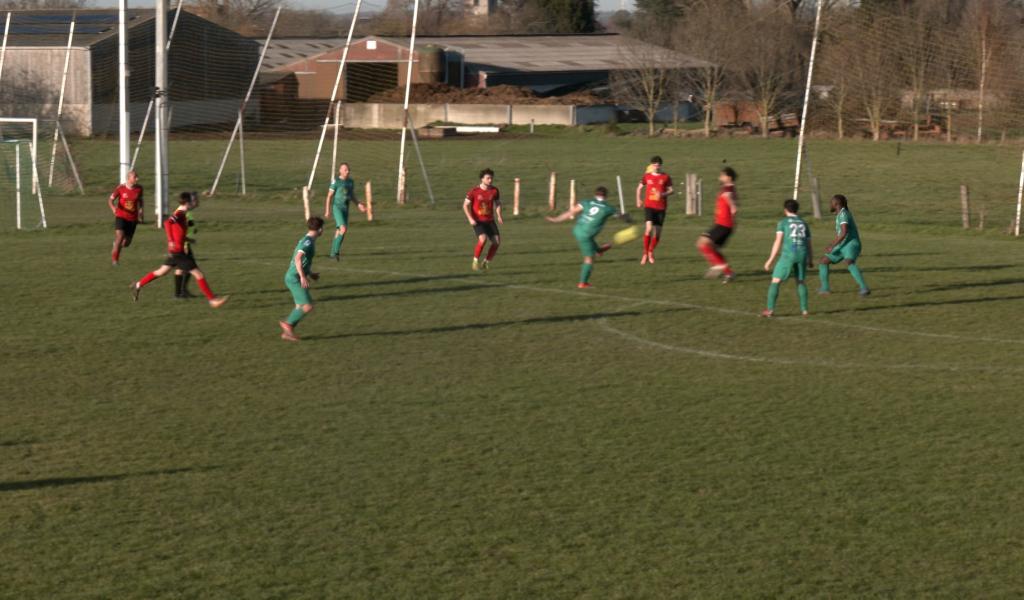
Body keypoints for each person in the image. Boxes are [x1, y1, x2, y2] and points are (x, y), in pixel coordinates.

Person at [129, 193, 228, 308]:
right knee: (198, 274)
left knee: (162, 271)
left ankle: (137, 285)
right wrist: (171, 240)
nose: (194, 202)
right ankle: (212, 300)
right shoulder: (180, 213)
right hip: (178, 251)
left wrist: (187, 239)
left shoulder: (182, 213)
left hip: (176, 250)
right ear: (187, 202)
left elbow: (177, 230)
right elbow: (167, 223)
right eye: (192, 200)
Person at [547, 186, 630, 288]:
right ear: (606, 195)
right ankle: (583, 283)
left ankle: (599, 250)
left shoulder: (586, 202)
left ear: (595, 194)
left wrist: (556, 219)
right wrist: (627, 218)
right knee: (589, 259)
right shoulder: (609, 208)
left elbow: (571, 212)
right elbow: (621, 217)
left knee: (590, 242)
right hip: (586, 235)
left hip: (577, 229)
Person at [762, 199, 813, 318]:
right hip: (802, 254)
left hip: (789, 254)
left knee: (775, 281)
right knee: (800, 281)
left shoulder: (783, 222)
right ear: (797, 210)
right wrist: (810, 259)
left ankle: (770, 310)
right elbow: (809, 243)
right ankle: (804, 310)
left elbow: (778, 242)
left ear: (785, 210)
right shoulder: (804, 223)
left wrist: (770, 260)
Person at [279, 217, 324, 342]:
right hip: (294, 278)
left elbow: (304, 261)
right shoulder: (307, 242)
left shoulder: (308, 240)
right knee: (307, 305)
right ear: (320, 229)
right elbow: (298, 258)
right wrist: (303, 277)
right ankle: (287, 324)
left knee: (300, 306)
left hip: (293, 276)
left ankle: (288, 332)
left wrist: (310, 273)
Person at [819, 194, 870, 296]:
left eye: (831, 203)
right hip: (843, 245)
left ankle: (864, 288)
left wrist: (832, 245)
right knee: (823, 261)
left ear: (836, 204)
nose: (830, 204)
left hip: (851, 244)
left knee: (849, 262)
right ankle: (825, 288)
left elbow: (844, 232)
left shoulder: (843, 214)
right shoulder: (840, 214)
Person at [697, 166, 738, 282]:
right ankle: (728, 273)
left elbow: (728, 196)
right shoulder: (728, 187)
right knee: (711, 247)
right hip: (723, 224)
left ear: (728, 177)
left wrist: (732, 206)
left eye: (722, 175)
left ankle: (720, 267)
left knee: (702, 243)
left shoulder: (728, 188)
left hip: (724, 224)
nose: (719, 177)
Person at [323, 162, 366, 261]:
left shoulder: (350, 182)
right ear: (340, 171)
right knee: (343, 229)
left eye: (348, 169)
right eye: (345, 169)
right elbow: (329, 196)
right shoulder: (336, 181)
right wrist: (327, 210)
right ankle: (336, 254)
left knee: (339, 231)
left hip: (345, 209)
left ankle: (332, 253)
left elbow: (352, 196)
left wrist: (359, 205)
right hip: (337, 208)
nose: (347, 171)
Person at [635, 155, 673, 264]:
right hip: (649, 206)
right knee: (649, 228)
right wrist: (638, 200)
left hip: (661, 207)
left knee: (657, 233)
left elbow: (671, 190)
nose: (656, 166)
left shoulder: (666, 177)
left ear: (661, 165)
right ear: (651, 165)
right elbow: (639, 188)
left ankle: (651, 251)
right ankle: (645, 253)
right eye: (654, 164)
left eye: (658, 164)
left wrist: (663, 194)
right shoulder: (647, 176)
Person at [463, 168, 502, 271]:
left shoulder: (494, 190)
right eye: (488, 178)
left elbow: (497, 203)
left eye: (491, 178)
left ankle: (486, 262)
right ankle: (475, 261)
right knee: (483, 239)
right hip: (478, 221)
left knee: (496, 242)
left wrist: (499, 215)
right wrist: (470, 219)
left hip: (489, 221)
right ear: (482, 179)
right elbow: (465, 205)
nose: (490, 180)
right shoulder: (474, 191)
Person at [108, 170, 144, 265]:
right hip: (121, 216)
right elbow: (110, 200)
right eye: (135, 177)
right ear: (128, 178)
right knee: (120, 236)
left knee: (125, 243)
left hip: (132, 219)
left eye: (137, 176)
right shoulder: (120, 188)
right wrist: (113, 208)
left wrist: (141, 211)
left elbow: (140, 201)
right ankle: (115, 260)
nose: (137, 178)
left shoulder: (139, 189)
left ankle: (116, 244)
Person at [174, 192, 198, 299]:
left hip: (184, 242)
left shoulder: (187, 212)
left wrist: (194, 229)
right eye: (195, 200)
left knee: (180, 268)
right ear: (188, 202)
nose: (196, 202)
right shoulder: (183, 213)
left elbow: (189, 227)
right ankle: (182, 291)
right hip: (184, 244)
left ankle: (178, 293)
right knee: (190, 267)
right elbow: (180, 229)